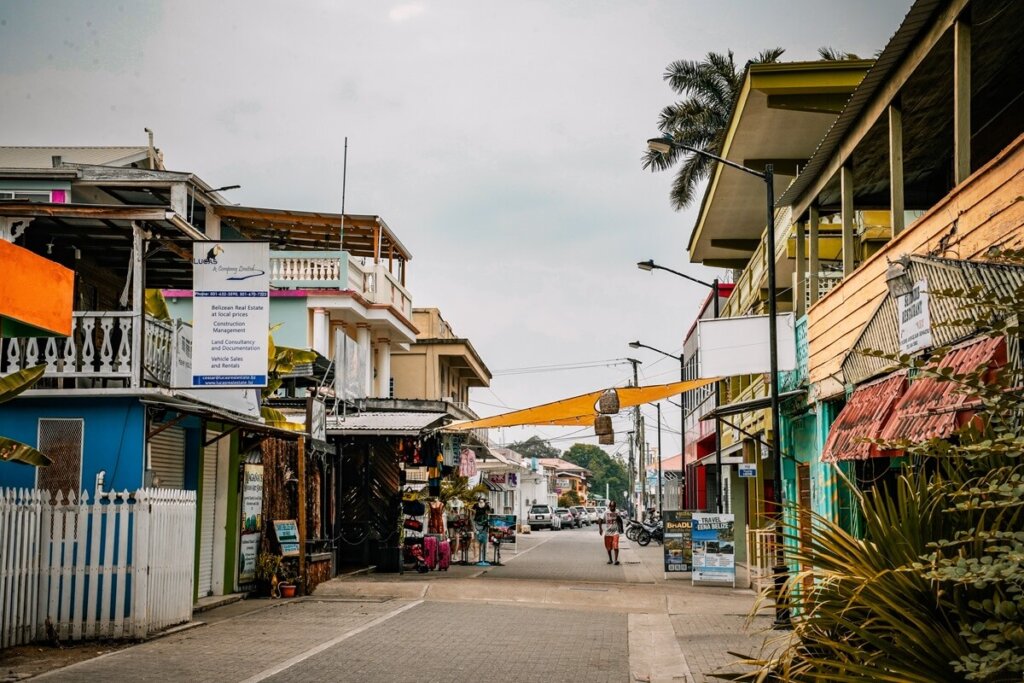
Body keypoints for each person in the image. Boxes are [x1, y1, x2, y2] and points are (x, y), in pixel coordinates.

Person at [597, 500, 622, 565]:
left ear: (615, 506)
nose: (612, 508)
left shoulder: (617, 512)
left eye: (613, 506)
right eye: (611, 506)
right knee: (609, 548)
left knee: (616, 546)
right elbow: (600, 520)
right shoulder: (606, 512)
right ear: (609, 506)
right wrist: (600, 529)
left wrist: (621, 528)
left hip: (615, 532)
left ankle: (616, 560)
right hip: (608, 532)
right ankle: (610, 559)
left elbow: (619, 520)